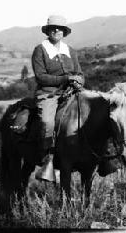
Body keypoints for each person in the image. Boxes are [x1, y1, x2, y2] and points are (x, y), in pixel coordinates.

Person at [31, 15, 84, 182]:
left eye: (60, 28)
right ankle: (48, 159)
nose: (56, 30)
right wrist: (65, 79)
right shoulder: (40, 49)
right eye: (53, 28)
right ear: (48, 30)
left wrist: (79, 80)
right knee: (48, 122)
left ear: (64, 32)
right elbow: (41, 77)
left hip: (72, 91)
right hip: (49, 93)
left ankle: (101, 156)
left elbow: (80, 73)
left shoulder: (70, 51)